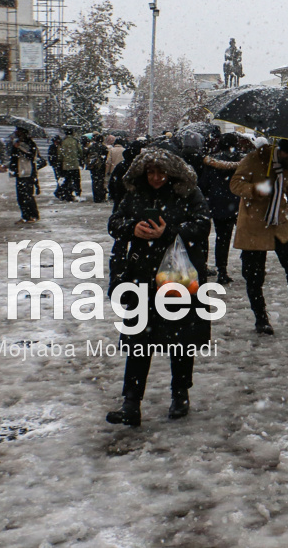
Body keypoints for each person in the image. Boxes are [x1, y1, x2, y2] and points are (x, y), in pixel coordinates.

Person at [105, 148, 212, 427]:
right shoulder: (135, 193)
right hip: (141, 277)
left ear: (172, 172)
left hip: (178, 276)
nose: (155, 177)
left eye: (161, 172)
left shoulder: (187, 192)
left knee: (181, 340)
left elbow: (202, 225)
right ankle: (131, 402)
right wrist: (132, 228)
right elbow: (114, 223)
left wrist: (169, 232)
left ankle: (180, 393)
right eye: (150, 172)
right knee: (138, 342)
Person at [229, 137, 288, 334]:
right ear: (285, 152)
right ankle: (261, 319)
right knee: (254, 275)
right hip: (253, 225)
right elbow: (235, 184)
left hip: (278, 223)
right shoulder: (254, 159)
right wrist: (254, 190)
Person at [197, 133, 244, 285]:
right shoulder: (242, 160)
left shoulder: (212, 161)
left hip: (218, 204)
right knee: (245, 236)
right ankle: (249, 266)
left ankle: (222, 270)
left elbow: (204, 184)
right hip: (239, 203)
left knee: (222, 239)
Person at [10, 128, 42, 224]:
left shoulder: (30, 143)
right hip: (20, 172)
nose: (16, 133)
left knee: (28, 195)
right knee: (21, 197)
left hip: (28, 172)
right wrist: (15, 148)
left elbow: (31, 156)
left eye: (18, 131)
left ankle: (33, 215)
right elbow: (13, 157)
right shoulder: (16, 143)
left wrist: (20, 148)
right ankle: (25, 215)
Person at [58, 128, 83, 200]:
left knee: (67, 180)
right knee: (76, 180)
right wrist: (79, 157)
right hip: (75, 164)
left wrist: (62, 160)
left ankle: (67, 193)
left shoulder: (63, 142)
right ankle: (78, 193)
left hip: (66, 165)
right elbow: (80, 151)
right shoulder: (75, 141)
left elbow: (60, 154)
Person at [84, 133, 109, 203]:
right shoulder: (104, 147)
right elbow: (107, 157)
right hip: (101, 166)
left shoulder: (91, 147)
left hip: (93, 167)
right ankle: (101, 196)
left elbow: (86, 155)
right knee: (101, 181)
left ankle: (96, 197)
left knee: (94, 181)